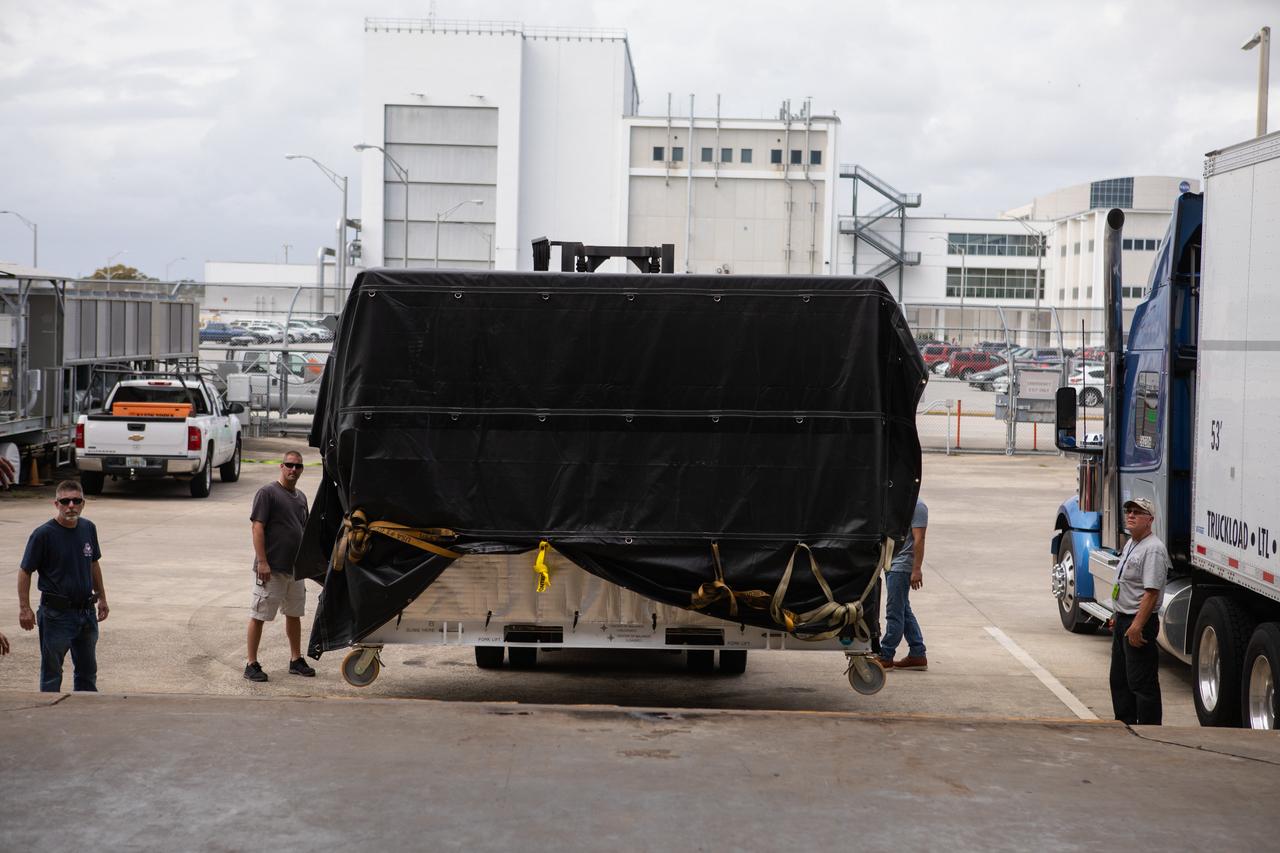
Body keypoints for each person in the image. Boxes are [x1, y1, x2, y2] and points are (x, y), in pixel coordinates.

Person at [17, 480, 109, 691]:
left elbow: (93, 563)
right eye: (65, 501)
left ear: (83, 503)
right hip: (56, 616)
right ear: (56, 504)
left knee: (87, 673)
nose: (71, 506)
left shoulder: (88, 528)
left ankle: (83, 718)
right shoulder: (43, 534)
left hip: (86, 613)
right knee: (51, 674)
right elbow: (25, 571)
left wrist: (102, 597)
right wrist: (25, 608)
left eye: (76, 501)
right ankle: (49, 718)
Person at [245, 450, 315, 682]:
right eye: (289, 465)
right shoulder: (268, 493)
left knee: (294, 614)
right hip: (271, 569)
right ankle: (251, 663)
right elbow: (257, 527)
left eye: (298, 466)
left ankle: (296, 660)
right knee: (259, 615)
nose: (293, 470)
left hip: (294, 570)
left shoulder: (301, 497)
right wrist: (262, 561)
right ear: (281, 467)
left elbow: (303, 531)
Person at [1108, 497, 1170, 725]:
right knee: (1120, 680)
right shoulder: (1132, 542)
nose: (1131, 515)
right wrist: (1119, 616)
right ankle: (1125, 725)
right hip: (1125, 620)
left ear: (1150, 520)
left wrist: (1136, 626)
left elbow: (1151, 593)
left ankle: (1150, 731)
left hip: (1139, 622)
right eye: (1128, 511)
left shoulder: (1153, 549)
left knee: (1141, 683)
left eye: (1137, 512)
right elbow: (1125, 584)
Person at [878, 499, 929, 671]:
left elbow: (919, 539)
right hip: (890, 563)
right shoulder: (898, 502)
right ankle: (917, 654)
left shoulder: (918, 506)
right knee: (904, 610)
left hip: (901, 566)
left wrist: (916, 569)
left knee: (894, 612)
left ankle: (886, 656)